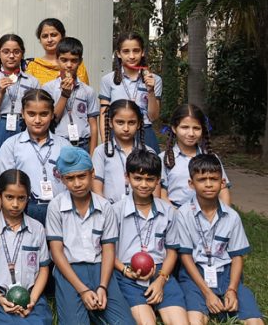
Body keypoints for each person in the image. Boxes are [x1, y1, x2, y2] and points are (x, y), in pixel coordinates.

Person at [45, 146, 134, 324]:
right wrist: (83, 290)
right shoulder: (56, 206)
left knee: (125, 322)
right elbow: (57, 253)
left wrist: (103, 286)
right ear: (62, 179)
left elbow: (109, 250)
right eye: (70, 178)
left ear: (92, 173)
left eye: (82, 176)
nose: (77, 183)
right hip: (68, 271)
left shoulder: (104, 206)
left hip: (100, 269)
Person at [176, 154, 263, 325]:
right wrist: (207, 293)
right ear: (191, 184)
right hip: (195, 275)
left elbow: (237, 256)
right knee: (194, 320)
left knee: (255, 321)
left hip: (226, 274)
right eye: (202, 179)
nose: (208, 184)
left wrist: (232, 289)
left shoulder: (232, 216)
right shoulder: (183, 214)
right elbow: (185, 257)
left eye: (214, 179)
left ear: (222, 183)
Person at [112, 150, 188, 325]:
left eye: (150, 179)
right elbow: (108, 251)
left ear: (158, 181)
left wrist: (161, 280)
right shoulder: (115, 211)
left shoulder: (168, 211)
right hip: (127, 274)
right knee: (147, 323)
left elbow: (171, 251)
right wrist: (125, 270)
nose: (144, 184)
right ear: (127, 177)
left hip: (161, 271)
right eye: (138, 178)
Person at [0, 169, 52, 325]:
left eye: (21, 198)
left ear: (28, 198)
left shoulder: (37, 228)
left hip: (30, 296)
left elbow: (43, 269)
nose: (15, 204)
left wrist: (33, 300)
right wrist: (0, 298)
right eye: (9, 197)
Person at [0, 89, 69, 225]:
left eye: (43, 114)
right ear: (22, 114)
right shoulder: (11, 145)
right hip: (25, 210)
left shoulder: (64, 146)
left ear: (52, 114)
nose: (37, 120)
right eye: (31, 114)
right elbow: (3, 186)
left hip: (60, 210)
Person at [99, 32, 162, 153]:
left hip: (145, 133)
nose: (132, 56)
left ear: (142, 52)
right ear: (118, 54)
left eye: (136, 51)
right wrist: (106, 142)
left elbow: (153, 117)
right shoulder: (108, 80)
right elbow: (104, 115)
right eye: (126, 51)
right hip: (117, 133)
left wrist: (151, 91)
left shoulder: (154, 79)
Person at [160, 104, 231, 208]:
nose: (191, 133)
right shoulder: (163, 159)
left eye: (196, 128)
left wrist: (224, 218)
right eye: (185, 127)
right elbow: (161, 194)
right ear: (174, 129)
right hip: (175, 215)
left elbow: (223, 190)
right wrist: (177, 216)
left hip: (207, 215)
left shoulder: (211, 157)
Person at [0, 34, 41, 156]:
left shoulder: (32, 81)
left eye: (16, 52)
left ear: (22, 53)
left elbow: (37, 110)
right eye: (6, 52)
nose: (11, 56)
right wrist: (0, 93)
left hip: (24, 126)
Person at [92, 100, 157, 204]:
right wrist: (107, 213)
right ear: (110, 123)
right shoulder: (101, 152)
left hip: (141, 211)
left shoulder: (148, 152)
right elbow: (97, 190)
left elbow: (155, 193)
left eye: (131, 123)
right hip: (110, 211)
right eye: (120, 122)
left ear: (139, 124)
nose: (126, 128)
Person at [43, 37, 99, 154]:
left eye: (74, 60)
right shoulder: (48, 88)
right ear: (57, 60)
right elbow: (52, 120)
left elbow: (93, 125)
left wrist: (93, 154)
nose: (69, 65)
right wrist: (64, 95)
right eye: (64, 60)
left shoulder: (88, 91)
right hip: (59, 143)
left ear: (80, 61)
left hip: (83, 144)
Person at [25, 18, 89, 85]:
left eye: (53, 35)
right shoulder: (33, 66)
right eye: (45, 36)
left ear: (63, 36)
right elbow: (28, 94)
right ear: (40, 40)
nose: (49, 40)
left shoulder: (76, 64)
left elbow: (84, 92)